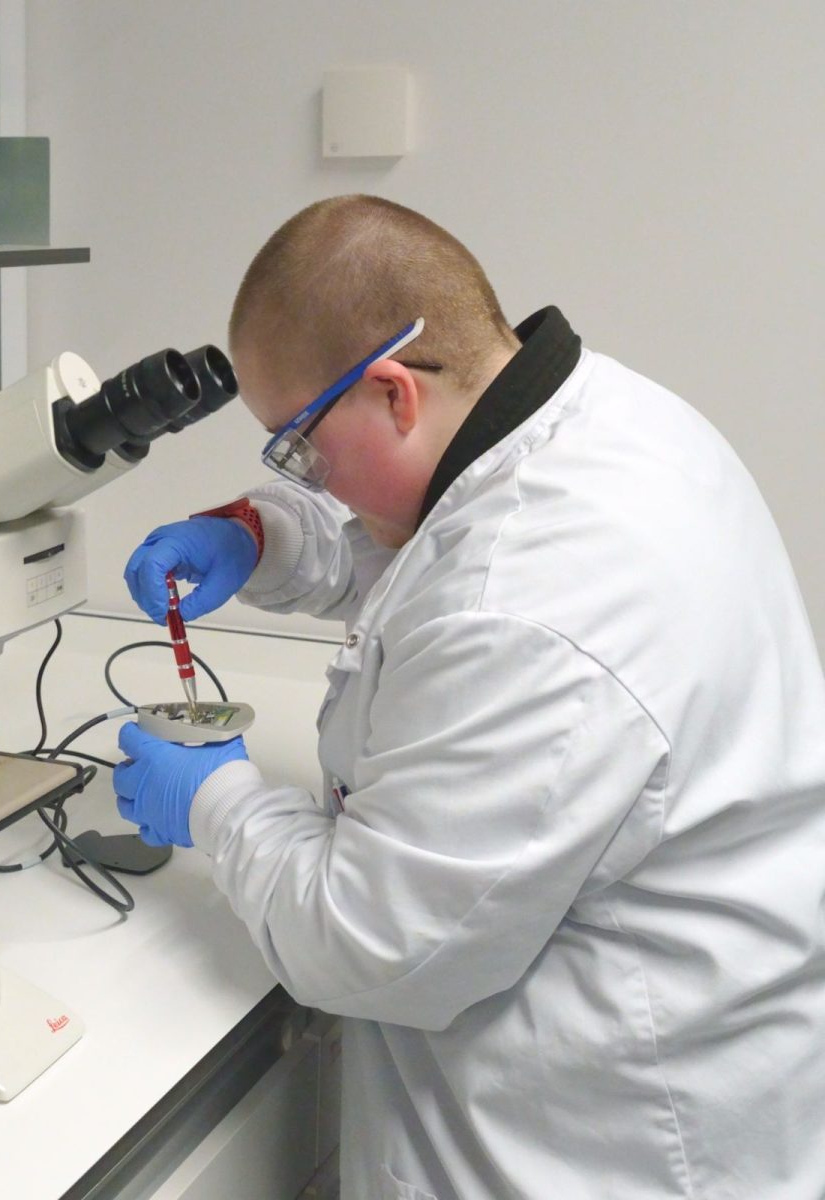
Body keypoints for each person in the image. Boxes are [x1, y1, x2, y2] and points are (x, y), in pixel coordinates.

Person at [113, 194, 825, 1199]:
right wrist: (263, 536)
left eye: (300, 448)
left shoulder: (529, 601)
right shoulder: (596, 417)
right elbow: (432, 558)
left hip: (605, 1143)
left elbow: (370, 947)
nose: (305, 476)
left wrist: (216, 802)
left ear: (397, 393)